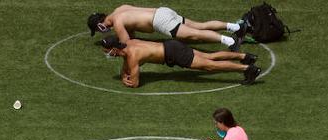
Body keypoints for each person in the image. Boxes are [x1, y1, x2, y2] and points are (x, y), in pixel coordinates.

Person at [98, 36, 260, 88]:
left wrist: (126, 81)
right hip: (171, 45)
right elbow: (126, 67)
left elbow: (135, 82)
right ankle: (245, 56)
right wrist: (123, 75)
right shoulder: (130, 43)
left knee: (210, 66)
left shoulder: (132, 56)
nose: (108, 54)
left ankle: (247, 68)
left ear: (115, 49)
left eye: (108, 52)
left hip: (174, 54)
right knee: (209, 57)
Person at [88, 5, 246, 48]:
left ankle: (230, 42)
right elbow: (133, 27)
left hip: (160, 21)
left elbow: (127, 44)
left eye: (98, 29)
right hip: (163, 11)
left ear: (100, 25)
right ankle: (236, 28)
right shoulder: (119, 10)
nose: (101, 31)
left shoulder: (117, 22)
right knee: (200, 25)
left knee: (194, 34)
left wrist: (113, 46)